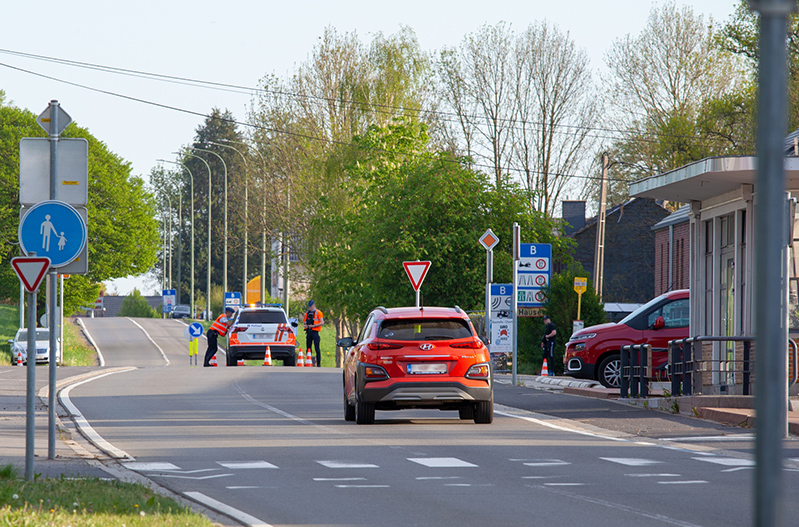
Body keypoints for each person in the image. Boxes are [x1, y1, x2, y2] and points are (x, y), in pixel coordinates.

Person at [303, 300, 324, 367]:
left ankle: (318, 363)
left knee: (317, 348)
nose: (310, 308)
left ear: (314, 305)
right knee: (308, 348)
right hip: (309, 332)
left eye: (311, 306)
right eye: (309, 306)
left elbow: (322, 322)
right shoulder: (307, 313)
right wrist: (306, 326)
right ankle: (309, 362)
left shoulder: (318, 312)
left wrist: (314, 326)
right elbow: (304, 322)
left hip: (315, 332)